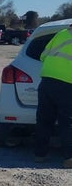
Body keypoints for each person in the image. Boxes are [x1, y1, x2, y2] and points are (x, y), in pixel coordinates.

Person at [34, 23, 72, 168]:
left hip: (47, 81)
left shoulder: (61, 33)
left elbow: (43, 55)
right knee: (66, 122)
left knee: (44, 119)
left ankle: (39, 155)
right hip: (68, 84)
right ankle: (69, 158)